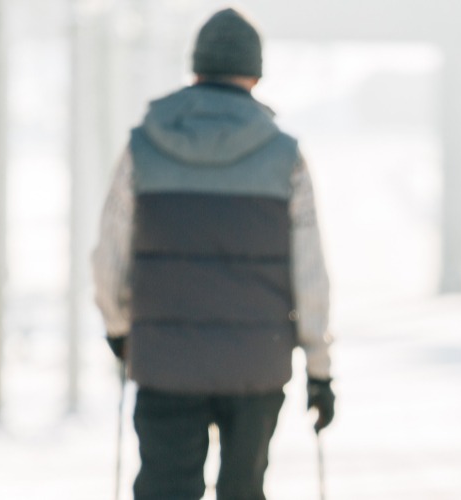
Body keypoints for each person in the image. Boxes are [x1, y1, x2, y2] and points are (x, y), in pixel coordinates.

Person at [92, 8, 334, 500]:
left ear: (196, 69)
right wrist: (319, 368)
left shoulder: (143, 147)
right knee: (244, 491)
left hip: (165, 362)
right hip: (257, 361)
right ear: (255, 74)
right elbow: (310, 274)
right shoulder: (286, 157)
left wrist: (121, 330)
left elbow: (109, 257)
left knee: (164, 489)